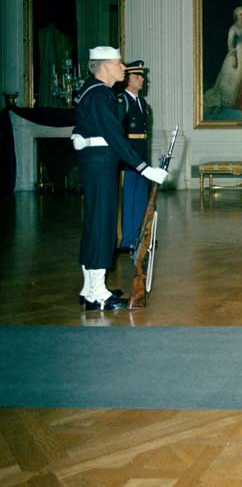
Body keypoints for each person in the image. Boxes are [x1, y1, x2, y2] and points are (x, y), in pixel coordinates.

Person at [70, 47, 167, 310]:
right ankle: (98, 294)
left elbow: (86, 123)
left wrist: (77, 134)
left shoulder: (90, 91)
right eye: (118, 63)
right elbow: (114, 137)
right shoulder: (101, 94)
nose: (123, 68)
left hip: (95, 163)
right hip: (101, 164)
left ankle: (89, 288)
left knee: (94, 223)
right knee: (102, 225)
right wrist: (145, 168)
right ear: (104, 66)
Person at [118, 59, 151, 252]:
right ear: (128, 80)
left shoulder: (143, 102)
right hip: (129, 159)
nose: (142, 79)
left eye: (142, 76)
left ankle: (138, 238)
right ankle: (126, 239)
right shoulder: (122, 101)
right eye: (137, 76)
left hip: (141, 157)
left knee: (140, 198)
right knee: (128, 200)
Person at [203, 5, 242, 111]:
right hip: (237, 54)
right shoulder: (234, 28)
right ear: (236, 15)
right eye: (240, 14)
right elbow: (230, 44)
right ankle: (238, 103)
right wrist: (234, 58)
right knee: (237, 79)